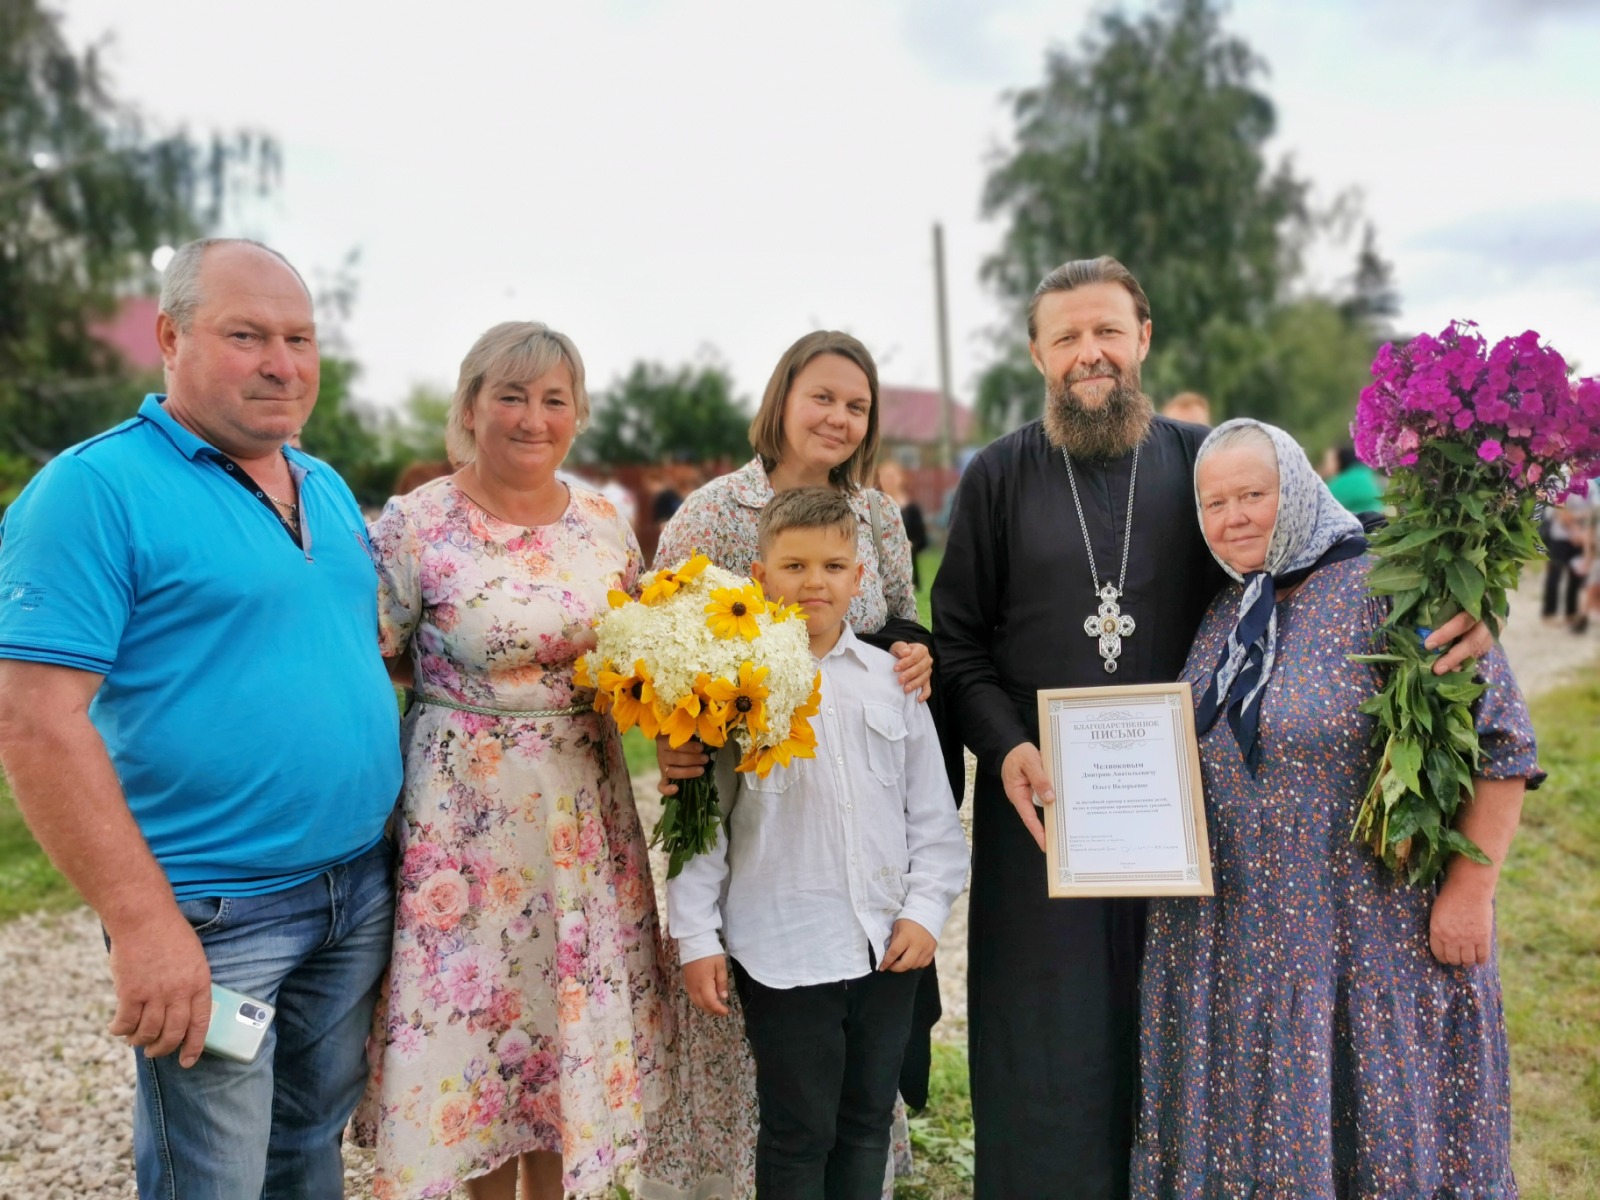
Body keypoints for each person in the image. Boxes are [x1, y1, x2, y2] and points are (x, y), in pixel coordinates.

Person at [930, 256, 1494, 1200]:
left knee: (1188, 1041)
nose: (1089, 353)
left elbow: (1324, 556)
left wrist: (1461, 600)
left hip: (1200, 831)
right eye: (1066, 336)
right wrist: (1007, 745)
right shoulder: (996, 476)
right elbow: (956, 644)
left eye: (1108, 330)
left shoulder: (1202, 463)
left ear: (1143, 339)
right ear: (1036, 354)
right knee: (1047, 1046)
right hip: (1048, 816)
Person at [0, 238, 401, 1198]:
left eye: (299, 338)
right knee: (209, 1181)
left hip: (353, 892)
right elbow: (35, 720)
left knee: (308, 1152)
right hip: (215, 915)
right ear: (169, 338)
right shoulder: (92, 493)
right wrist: (141, 924)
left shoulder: (325, 483)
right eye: (247, 335)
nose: (282, 362)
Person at [1133, 419, 1539, 1197]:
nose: (1234, 518)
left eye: (1254, 494)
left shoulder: (1395, 587)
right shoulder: (1229, 610)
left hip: (1360, 936)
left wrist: (1471, 893)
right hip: (1235, 938)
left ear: (1301, 488)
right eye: (1214, 504)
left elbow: (1502, 747)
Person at [355, 322, 675, 1200]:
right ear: (469, 407)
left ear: (576, 415)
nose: (533, 418)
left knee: (561, 1027)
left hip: (583, 812)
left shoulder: (606, 525)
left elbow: (641, 658)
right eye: (511, 395)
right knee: (483, 1028)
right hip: (465, 820)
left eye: (554, 400)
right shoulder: (416, 526)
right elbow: (365, 656)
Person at [646, 330, 940, 1196]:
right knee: (782, 1099)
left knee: (852, 1102)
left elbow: (897, 621)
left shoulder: (879, 514)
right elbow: (660, 637)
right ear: (782, 398)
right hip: (751, 797)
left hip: (857, 789)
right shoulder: (711, 512)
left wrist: (918, 652)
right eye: (823, 396)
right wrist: (675, 733)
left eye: (857, 405)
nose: (840, 417)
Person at [875, 460, 929, 588]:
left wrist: (906, 546)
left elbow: (922, 541)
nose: (889, 480)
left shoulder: (912, 509)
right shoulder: (871, 505)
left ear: (901, 478)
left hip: (905, 570)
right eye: (885, 476)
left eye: (892, 476)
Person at [1326, 443, 1387, 516]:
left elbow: (1322, 503)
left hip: (1365, 522)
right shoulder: (1364, 472)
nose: (1325, 466)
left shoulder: (1344, 482)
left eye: (1328, 461)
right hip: (1380, 515)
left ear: (1339, 461)